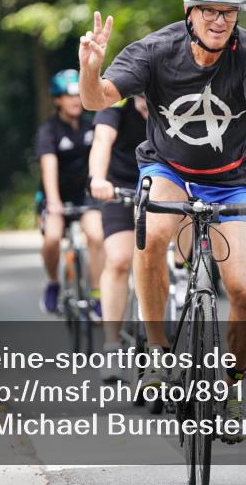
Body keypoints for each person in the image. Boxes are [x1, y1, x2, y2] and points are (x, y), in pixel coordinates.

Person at [78, 0, 246, 443]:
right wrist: (90, 69)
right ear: (190, 12)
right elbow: (97, 100)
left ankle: (233, 388)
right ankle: (155, 349)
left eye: (229, 13)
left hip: (231, 179)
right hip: (168, 168)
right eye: (210, 11)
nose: (219, 21)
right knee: (149, 234)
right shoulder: (155, 50)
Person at [89, 95, 148, 380]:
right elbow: (102, 142)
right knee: (120, 260)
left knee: (177, 260)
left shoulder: (178, 108)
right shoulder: (115, 112)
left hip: (167, 190)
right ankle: (112, 345)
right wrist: (98, 179)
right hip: (120, 190)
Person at [37, 69, 105, 317]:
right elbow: (48, 166)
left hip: (85, 196)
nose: (76, 100)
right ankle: (53, 283)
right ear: (57, 100)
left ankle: (97, 296)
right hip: (55, 196)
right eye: (69, 95)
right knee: (52, 238)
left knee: (97, 237)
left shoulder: (92, 126)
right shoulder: (49, 131)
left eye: (79, 95)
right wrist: (53, 201)